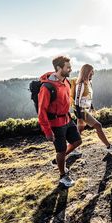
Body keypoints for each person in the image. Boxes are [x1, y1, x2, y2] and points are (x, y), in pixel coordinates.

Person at [38, 56, 82, 188]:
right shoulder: (47, 87)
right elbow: (41, 112)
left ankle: (57, 160)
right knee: (61, 150)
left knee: (77, 142)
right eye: (67, 67)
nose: (70, 69)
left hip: (67, 119)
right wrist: (47, 131)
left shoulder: (66, 82)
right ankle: (63, 176)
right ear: (58, 68)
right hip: (55, 125)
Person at [71, 64, 112, 152]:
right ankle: (109, 146)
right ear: (87, 72)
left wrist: (92, 107)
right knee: (98, 125)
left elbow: (88, 97)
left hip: (85, 109)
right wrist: (79, 115)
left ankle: (72, 149)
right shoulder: (81, 84)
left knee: (80, 129)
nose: (93, 73)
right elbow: (77, 101)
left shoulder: (89, 83)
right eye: (91, 71)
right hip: (81, 110)